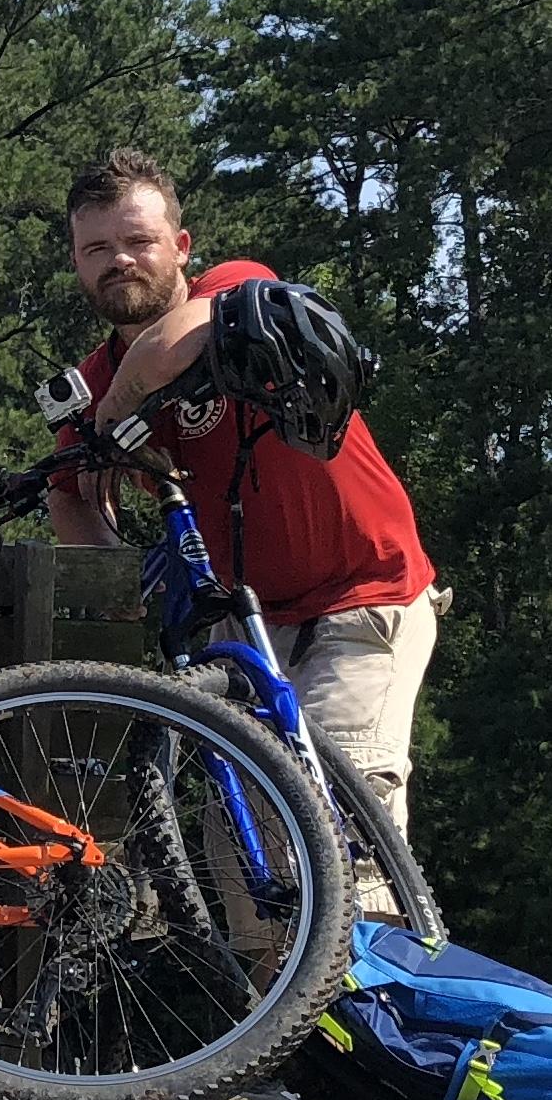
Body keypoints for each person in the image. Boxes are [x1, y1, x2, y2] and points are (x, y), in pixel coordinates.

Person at [50, 148, 441, 832]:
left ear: (181, 245)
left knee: (336, 829)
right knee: (253, 872)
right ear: (77, 263)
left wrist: (114, 417)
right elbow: (67, 492)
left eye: (140, 241)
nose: (121, 261)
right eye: (97, 248)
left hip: (361, 601)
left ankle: (374, 942)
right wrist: (123, 582)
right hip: (242, 630)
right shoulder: (91, 375)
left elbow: (169, 348)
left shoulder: (243, 295)